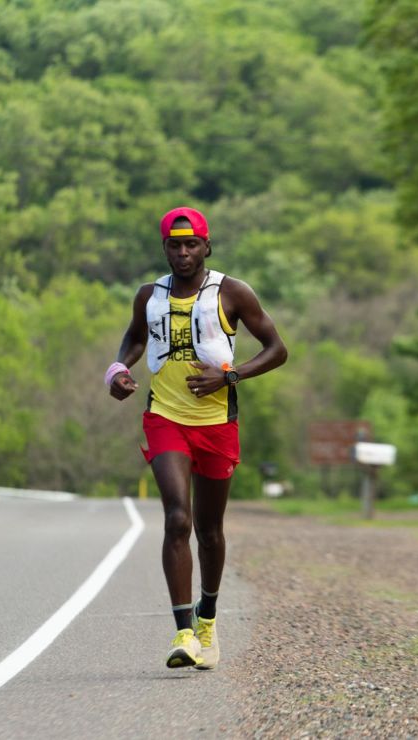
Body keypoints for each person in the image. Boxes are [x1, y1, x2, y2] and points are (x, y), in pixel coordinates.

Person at [107, 206, 288, 669]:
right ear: (164, 247)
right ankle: (184, 632)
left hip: (216, 424)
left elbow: (277, 349)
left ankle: (208, 619)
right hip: (165, 417)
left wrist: (230, 376)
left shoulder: (232, 293)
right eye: (174, 244)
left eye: (191, 244)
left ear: (207, 246)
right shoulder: (149, 295)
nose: (183, 253)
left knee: (209, 530)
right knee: (177, 518)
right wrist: (118, 370)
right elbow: (133, 339)